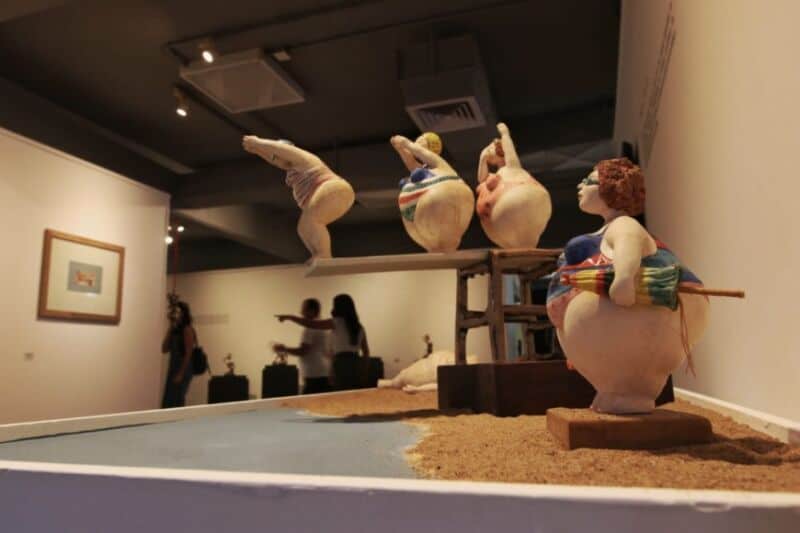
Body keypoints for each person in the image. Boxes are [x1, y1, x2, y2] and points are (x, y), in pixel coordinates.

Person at [545, 158, 709, 414]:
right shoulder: (608, 228)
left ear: (611, 188)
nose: (580, 185)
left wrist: (623, 280)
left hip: (637, 316)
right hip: (619, 326)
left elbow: (628, 242)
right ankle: (614, 391)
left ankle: (631, 392)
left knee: (632, 363)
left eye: (589, 180)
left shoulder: (623, 224)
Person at [242, 136, 354, 259]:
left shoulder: (301, 157)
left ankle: (324, 254)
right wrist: (258, 151)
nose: (276, 160)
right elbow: (274, 159)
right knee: (303, 227)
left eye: (278, 155)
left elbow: (279, 149)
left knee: (311, 220)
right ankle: (318, 254)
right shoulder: (292, 169)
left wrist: (257, 142)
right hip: (332, 192)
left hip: (333, 189)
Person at [390, 133, 474, 252]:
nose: (418, 141)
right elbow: (410, 161)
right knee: (435, 248)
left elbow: (420, 152)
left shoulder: (440, 164)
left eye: (422, 140)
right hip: (417, 219)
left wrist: (406, 143)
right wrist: (400, 149)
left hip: (445, 201)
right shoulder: (423, 168)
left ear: (431, 146)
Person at [277, 294, 370, 390]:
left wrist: (289, 317)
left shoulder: (337, 322)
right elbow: (366, 351)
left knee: (341, 393)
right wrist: (364, 370)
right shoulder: (359, 327)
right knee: (353, 393)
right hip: (356, 362)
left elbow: (311, 324)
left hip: (340, 364)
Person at [272, 298, 331, 394]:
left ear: (312, 311)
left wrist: (283, 348)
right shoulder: (321, 327)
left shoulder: (310, 329)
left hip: (314, 374)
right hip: (322, 372)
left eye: (304, 309)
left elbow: (303, 351)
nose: (301, 312)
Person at [161, 300, 197, 408]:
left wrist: (181, 373)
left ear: (183, 314)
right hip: (173, 367)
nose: (175, 315)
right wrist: (170, 328)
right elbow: (164, 348)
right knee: (168, 399)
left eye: (177, 312)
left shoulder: (187, 329)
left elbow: (188, 353)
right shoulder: (175, 330)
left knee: (177, 399)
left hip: (183, 368)